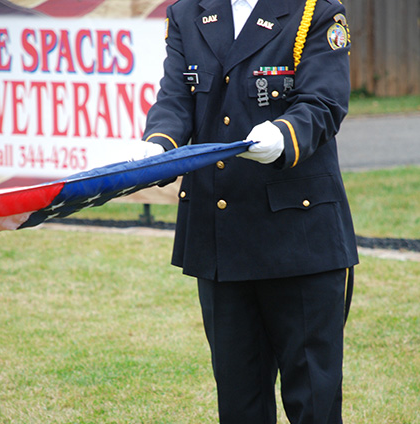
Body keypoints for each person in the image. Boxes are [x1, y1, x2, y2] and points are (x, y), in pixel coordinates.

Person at [138, 0, 359, 422]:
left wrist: (284, 133)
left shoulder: (314, 10)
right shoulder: (189, 12)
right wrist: (159, 143)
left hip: (300, 237)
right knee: (240, 406)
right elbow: (177, 98)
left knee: (314, 401)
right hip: (222, 238)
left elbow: (324, 101)